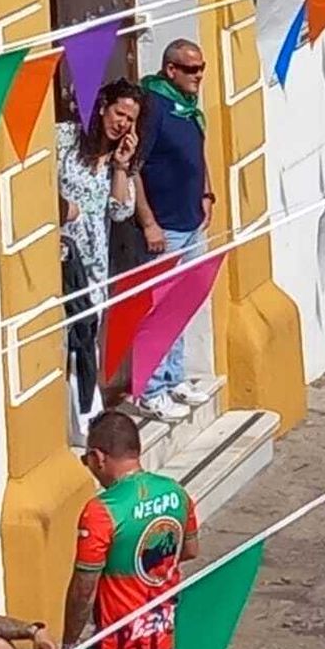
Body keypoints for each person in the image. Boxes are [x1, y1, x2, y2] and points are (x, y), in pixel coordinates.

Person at [63, 409, 198, 649]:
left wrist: (69, 642)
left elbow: (83, 587)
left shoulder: (101, 511)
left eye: (87, 460)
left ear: (98, 457)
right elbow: (191, 550)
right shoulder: (177, 493)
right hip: (164, 638)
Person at [131, 42, 215, 424]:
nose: (199, 75)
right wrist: (148, 222)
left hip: (191, 219)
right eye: (191, 69)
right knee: (158, 308)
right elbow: (134, 168)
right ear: (170, 70)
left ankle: (173, 376)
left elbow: (198, 154)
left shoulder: (189, 109)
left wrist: (207, 193)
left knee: (182, 304)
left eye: (201, 68)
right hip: (165, 227)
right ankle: (150, 389)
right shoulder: (155, 108)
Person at [58, 79, 141, 425]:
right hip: (61, 259)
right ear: (103, 106)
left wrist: (121, 167)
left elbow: (121, 211)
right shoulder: (64, 138)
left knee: (85, 344)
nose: (122, 123)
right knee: (60, 344)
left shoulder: (114, 164)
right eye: (119, 113)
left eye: (130, 120)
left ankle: (85, 422)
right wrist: (62, 208)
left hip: (93, 267)